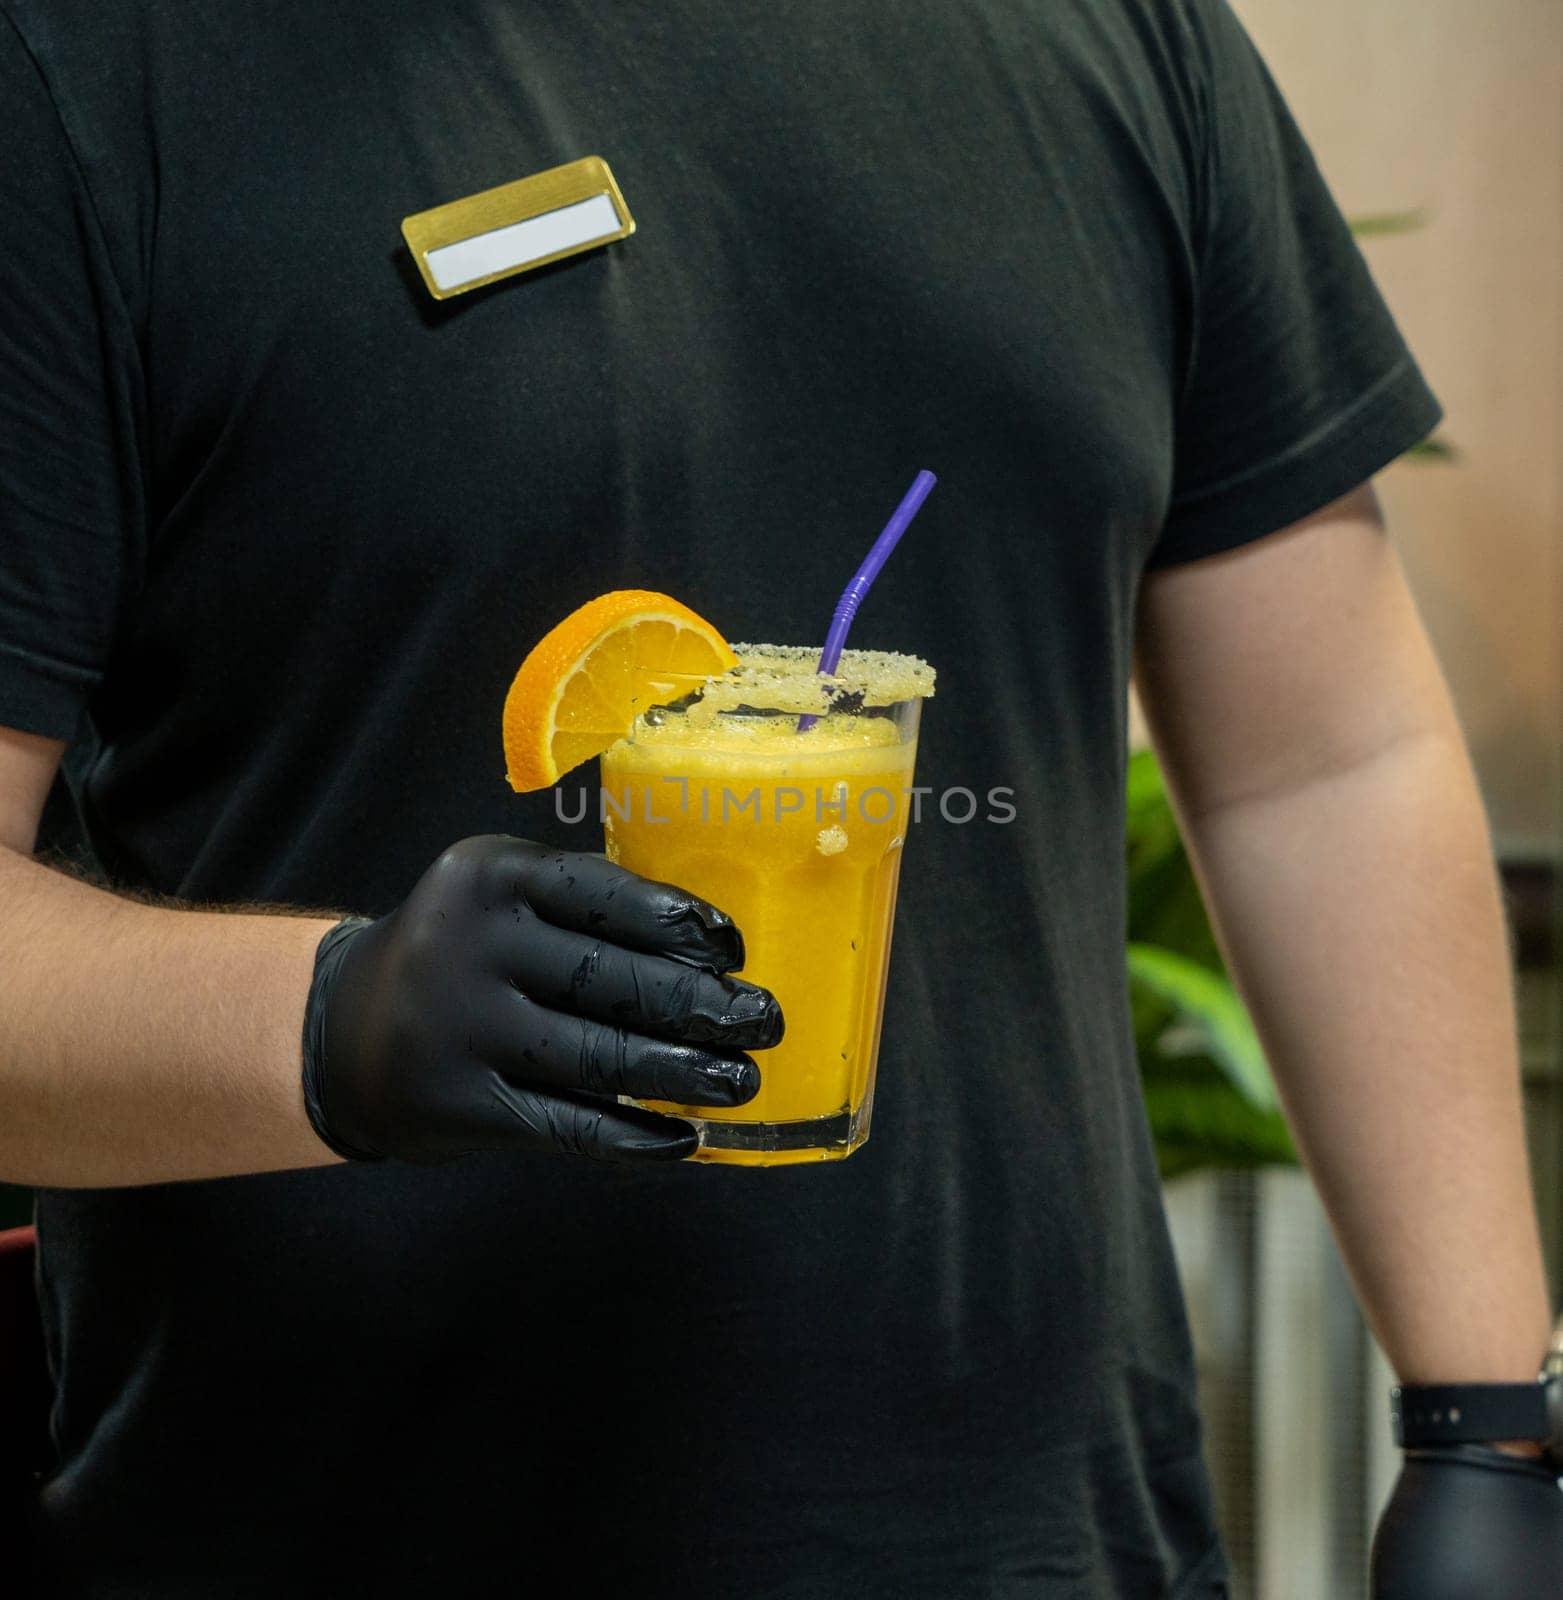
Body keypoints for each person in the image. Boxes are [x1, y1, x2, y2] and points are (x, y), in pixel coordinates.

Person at [0, 0, 1557, 1594]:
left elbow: (1329, 757)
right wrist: (328, 1020)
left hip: (1054, 1547)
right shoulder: (93, 61)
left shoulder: (1122, 30)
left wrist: (1487, 1421)